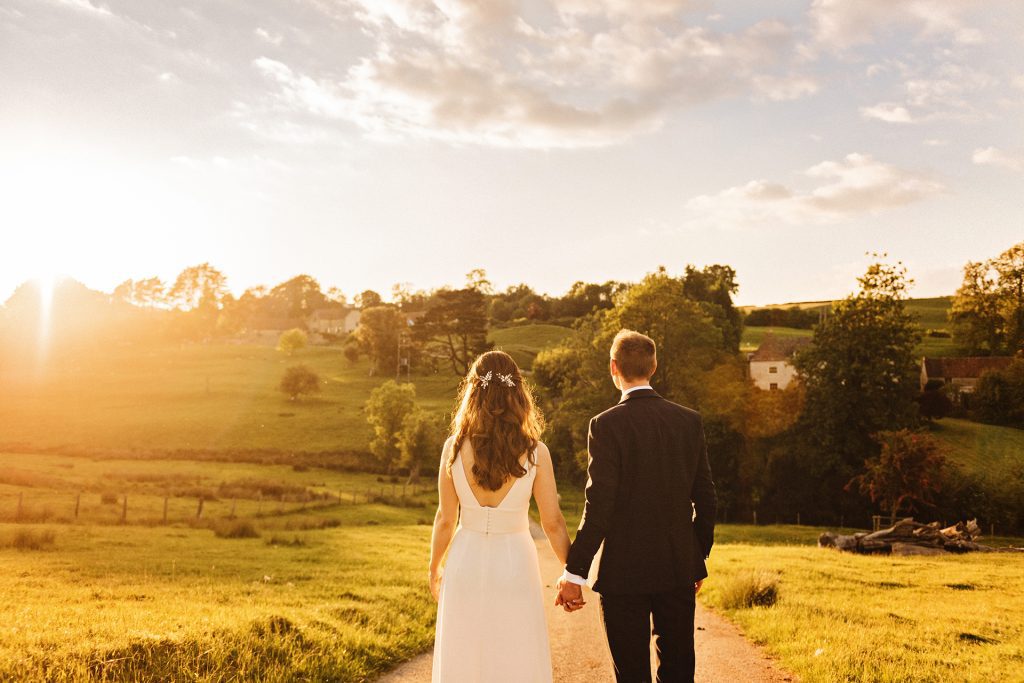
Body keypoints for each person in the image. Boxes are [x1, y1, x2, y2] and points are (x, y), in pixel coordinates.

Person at [556, 329, 717, 683]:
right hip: (677, 567)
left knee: (631, 674)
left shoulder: (605, 425)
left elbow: (598, 506)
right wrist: (695, 557)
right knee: (678, 672)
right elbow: (706, 497)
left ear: (613, 367)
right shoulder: (688, 421)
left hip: (623, 573)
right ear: (654, 366)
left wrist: (574, 574)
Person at [428, 350, 575, 682]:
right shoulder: (537, 452)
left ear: (473, 391)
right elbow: (552, 523)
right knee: (515, 654)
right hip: (515, 564)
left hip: (466, 560)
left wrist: (434, 566)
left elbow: (445, 519)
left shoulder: (453, 447)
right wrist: (572, 573)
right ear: (517, 393)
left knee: (465, 655)